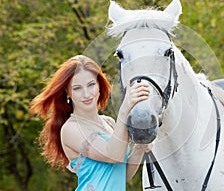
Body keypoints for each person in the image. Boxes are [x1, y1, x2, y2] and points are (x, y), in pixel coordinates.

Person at [30, 55, 151, 190]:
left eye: (91, 84)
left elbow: (121, 175)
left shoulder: (109, 123)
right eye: (77, 88)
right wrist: (124, 109)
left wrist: (139, 149)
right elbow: (113, 155)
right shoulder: (70, 129)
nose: (86, 94)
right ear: (68, 92)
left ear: (99, 85)